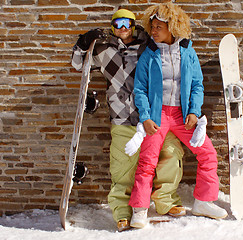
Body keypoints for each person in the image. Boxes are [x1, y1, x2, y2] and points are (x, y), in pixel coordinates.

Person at [71, 9, 186, 232]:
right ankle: (122, 212)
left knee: (171, 155)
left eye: (127, 23)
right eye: (117, 24)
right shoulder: (103, 49)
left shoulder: (149, 46)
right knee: (122, 167)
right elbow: (78, 65)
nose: (122, 28)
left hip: (153, 116)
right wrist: (82, 43)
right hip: (122, 116)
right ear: (113, 26)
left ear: (133, 25)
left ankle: (166, 201)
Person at [127, 2, 228, 228]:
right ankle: (140, 209)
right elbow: (140, 89)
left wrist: (193, 111)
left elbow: (197, 85)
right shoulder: (148, 55)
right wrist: (146, 117)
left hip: (183, 116)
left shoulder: (188, 52)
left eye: (158, 27)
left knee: (208, 154)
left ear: (172, 27)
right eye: (151, 27)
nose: (152, 32)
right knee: (147, 162)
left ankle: (203, 201)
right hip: (157, 115)